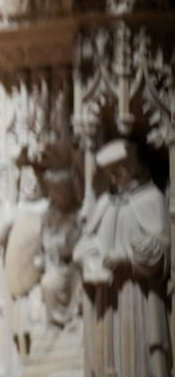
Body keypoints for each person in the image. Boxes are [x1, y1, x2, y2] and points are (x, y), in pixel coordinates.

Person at [74, 139, 170, 376]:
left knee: (135, 356)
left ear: (132, 167)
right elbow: (86, 239)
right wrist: (88, 254)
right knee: (108, 354)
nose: (114, 179)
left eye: (119, 172)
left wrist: (126, 257)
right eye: (111, 174)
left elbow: (164, 249)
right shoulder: (106, 202)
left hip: (136, 294)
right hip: (106, 295)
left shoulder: (151, 198)